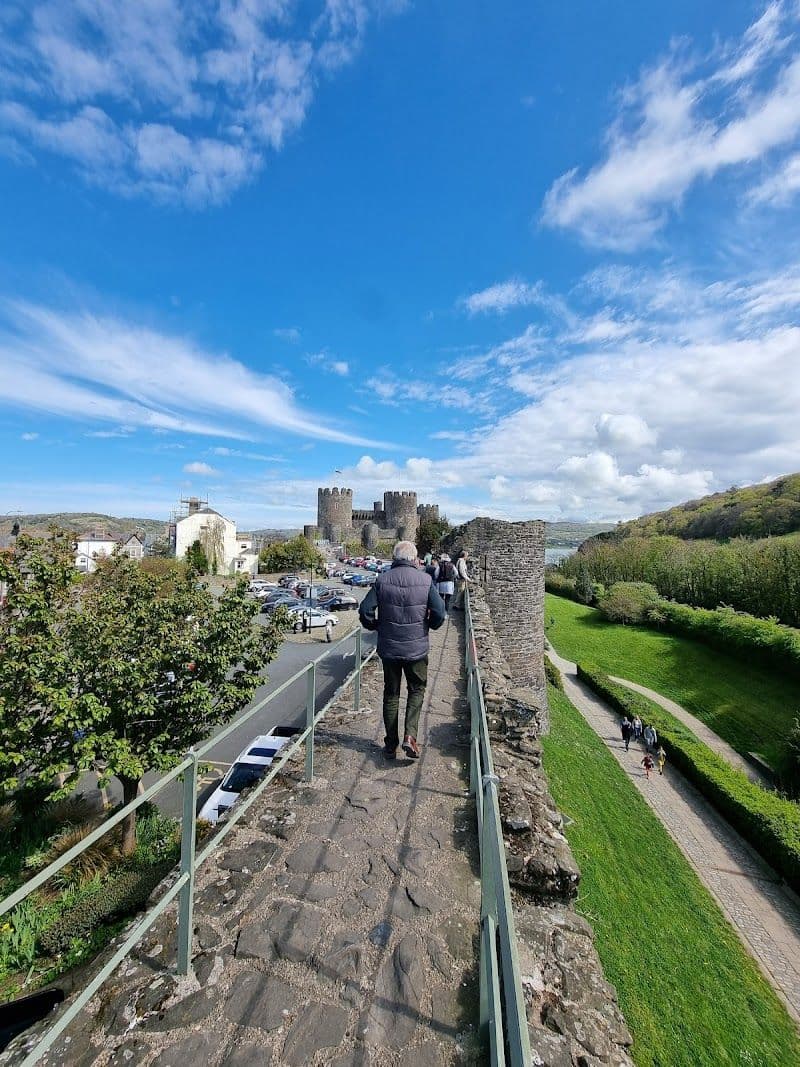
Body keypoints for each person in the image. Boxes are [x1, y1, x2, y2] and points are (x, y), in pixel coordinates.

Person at [359, 540, 446, 760]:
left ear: (396, 558)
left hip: (389, 648)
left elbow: (365, 611)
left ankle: (390, 745)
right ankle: (410, 737)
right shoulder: (425, 580)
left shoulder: (382, 579)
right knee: (416, 690)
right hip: (417, 648)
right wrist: (430, 626)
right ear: (414, 558)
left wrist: (377, 626)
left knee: (391, 694)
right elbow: (439, 612)